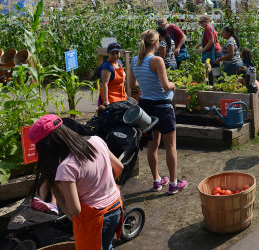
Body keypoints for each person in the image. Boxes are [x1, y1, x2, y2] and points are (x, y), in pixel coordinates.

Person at [28, 114, 124, 250]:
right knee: (107, 245)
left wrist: (61, 194)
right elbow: (119, 167)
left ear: (47, 146)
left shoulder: (66, 167)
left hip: (94, 220)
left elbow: (75, 210)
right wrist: (101, 187)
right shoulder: (96, 141)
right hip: (115, 206)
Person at [128, 29, 187, 195]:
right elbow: (166, 86)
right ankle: (174, 183)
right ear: (156, 43)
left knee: (152, 146)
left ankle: (156, 181)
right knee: (170, 146)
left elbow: (132, 84)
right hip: (163, 107)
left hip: (146, 108)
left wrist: (147, 86)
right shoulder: (156, 60)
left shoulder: (134, 60)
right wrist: (174, 84)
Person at [98, 42, 127, 107]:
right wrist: (106, 100)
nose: (115, 56)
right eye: (112, 54)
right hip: (111, 97)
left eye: (117, 53)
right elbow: (104, 84)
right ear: (108, 54)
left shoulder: (119, 63)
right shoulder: (107, 66)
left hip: (121, 95)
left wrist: (125, 93)